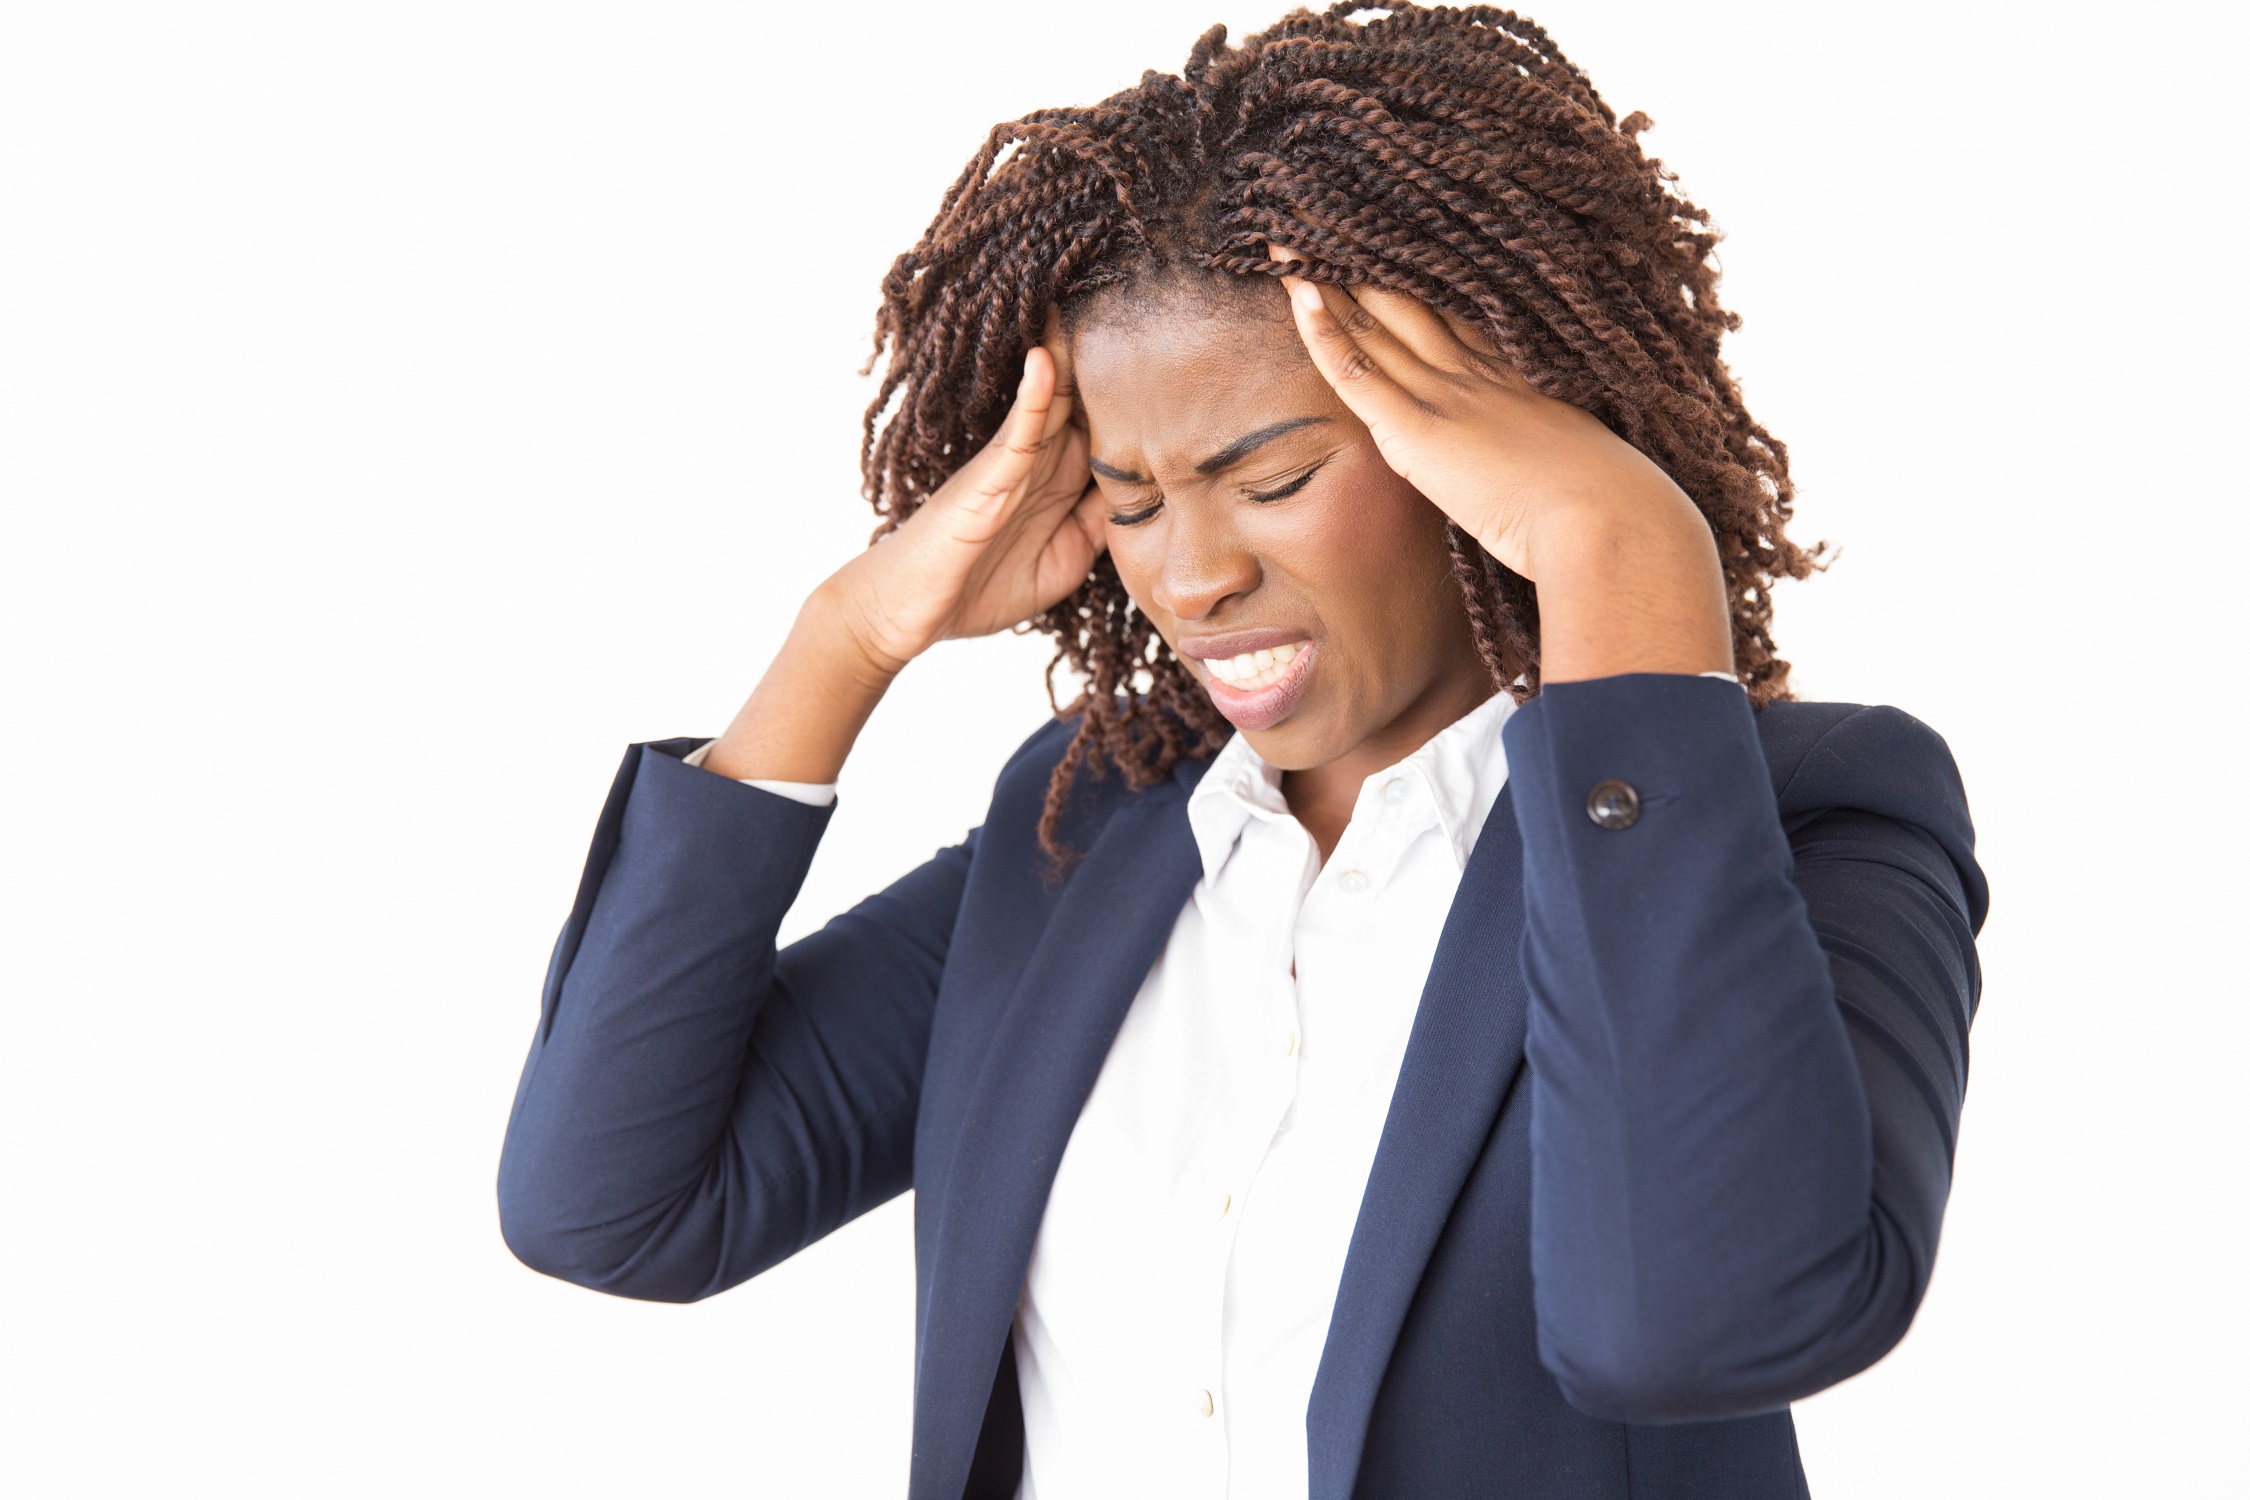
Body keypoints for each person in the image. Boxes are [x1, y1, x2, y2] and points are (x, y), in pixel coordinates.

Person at [496, 6, 1986, 1498]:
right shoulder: (1091, 827)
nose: (1185, 576)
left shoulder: (1814, 819)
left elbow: (1690, 1326)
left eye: (1268, 476)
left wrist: (1624, 546)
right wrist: (844, 644)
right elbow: (613, 1204)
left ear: (1492, 435)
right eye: (1126, 499)